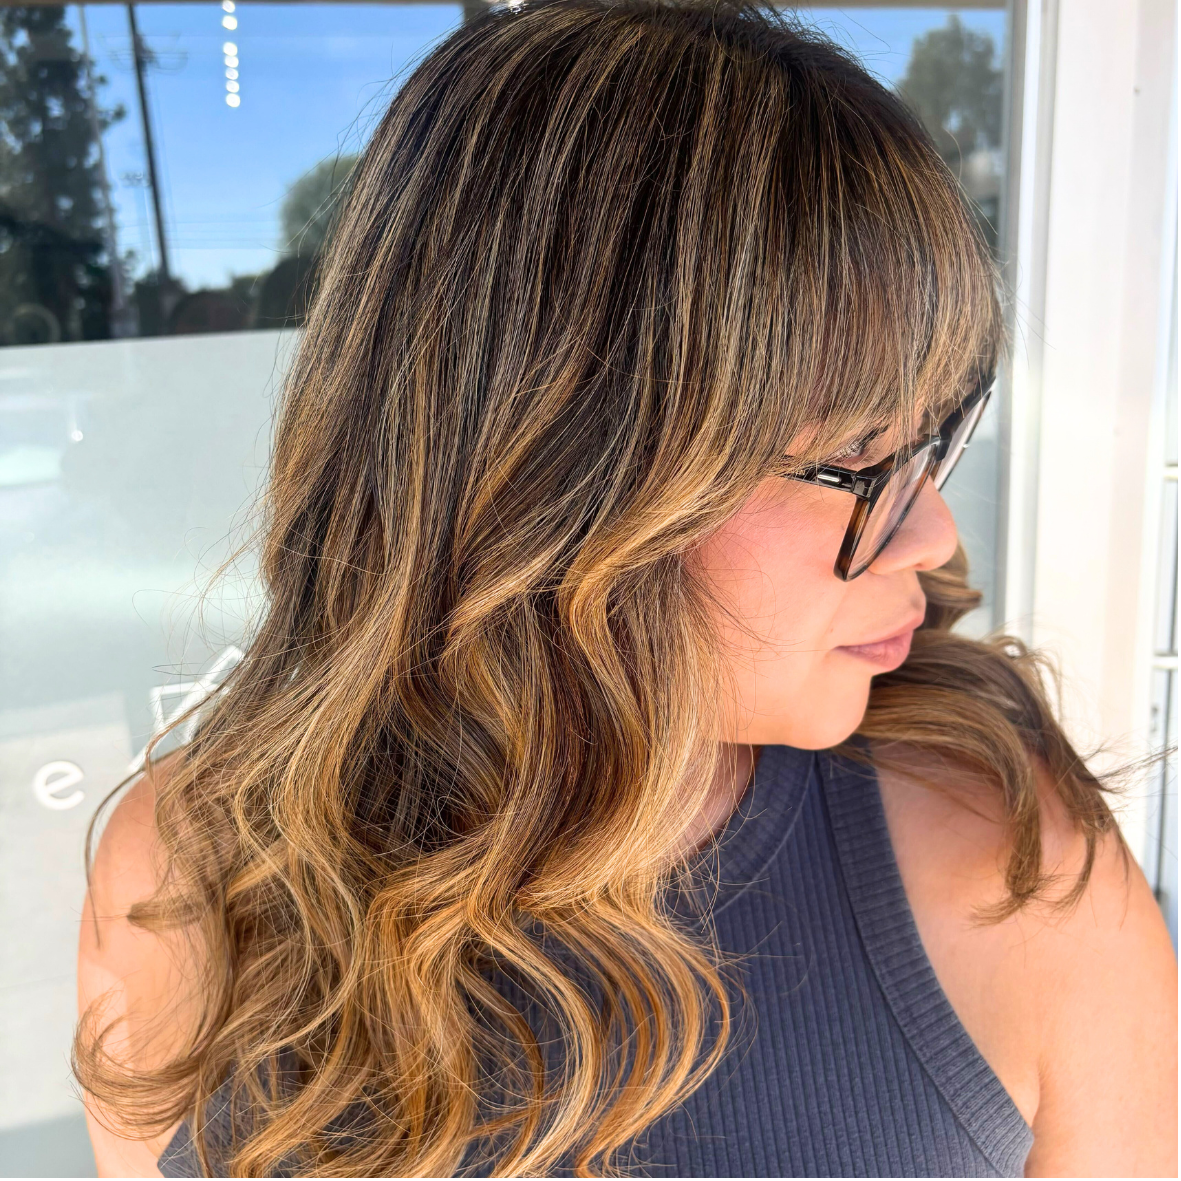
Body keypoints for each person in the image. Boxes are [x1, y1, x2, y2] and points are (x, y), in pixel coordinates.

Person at [74, 0, 1177, 1176]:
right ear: (563, 474)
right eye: (860, 459)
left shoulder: (1001, 852)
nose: (931, 531)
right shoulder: (197, 874)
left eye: (931, 444)